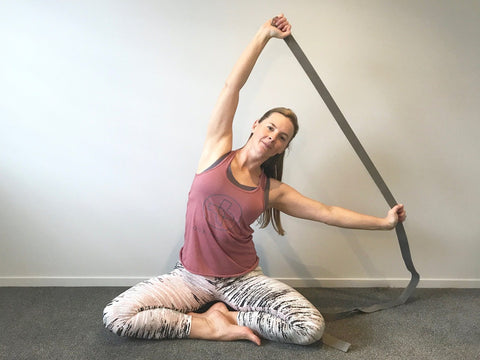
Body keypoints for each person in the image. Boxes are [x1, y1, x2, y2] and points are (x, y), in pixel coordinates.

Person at [103, 14, 406, 346]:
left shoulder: (271, 190)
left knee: (309, 328)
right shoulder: (216, 151)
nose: (273, 137)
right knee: (117, 316)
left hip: (242, 280)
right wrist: (264, 35)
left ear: (283, 149)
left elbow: (328, 212)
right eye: (271, 127)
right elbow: (232, 86)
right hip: (190, 278)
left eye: (282, 138)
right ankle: (208, 324)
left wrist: (384, 223)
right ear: (255, 125)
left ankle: (230, 317)